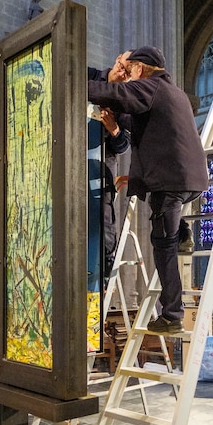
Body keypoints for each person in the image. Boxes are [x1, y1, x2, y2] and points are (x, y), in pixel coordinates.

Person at [87, 46, 208, 334]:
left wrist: (73, 84)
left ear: (140, 69)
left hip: (171, 180)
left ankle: (172, 315)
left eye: (129, 70)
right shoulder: (173, 92)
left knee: (162, 244)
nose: (127, 75)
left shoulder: (150, 86)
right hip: (190, 179)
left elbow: (114, 94)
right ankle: (183, 234)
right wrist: (115, 122)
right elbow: (137, 121)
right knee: (168, 227)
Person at [88, 53, 133, 278]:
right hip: (76, 155)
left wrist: (114, 129)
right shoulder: (90, 76)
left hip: (103, 162)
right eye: (121, 66)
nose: (121, 73)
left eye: (127, 72)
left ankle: (104, 266)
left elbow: (124, 146)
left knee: (104, 213)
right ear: (117, 59)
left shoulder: (125, 104)